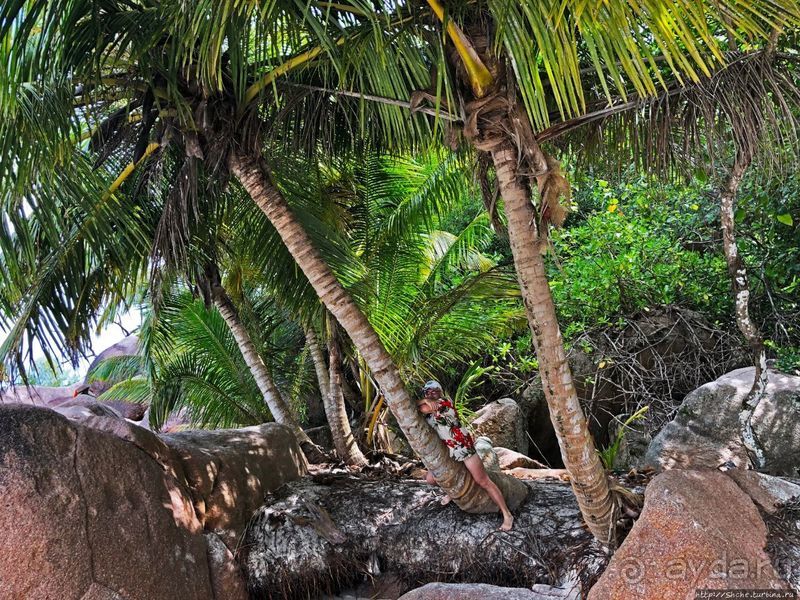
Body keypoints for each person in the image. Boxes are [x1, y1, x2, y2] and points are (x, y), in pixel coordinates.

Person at [417, 380, 514, 531]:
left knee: (483, 481)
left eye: (435, 390)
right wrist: (424, 400)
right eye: (428, 392)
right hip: (447, 451)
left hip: (462, 447)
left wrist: (424, 401)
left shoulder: (444, 403)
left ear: (441, 392)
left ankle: (507, 514)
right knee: (430, 479)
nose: (432, 393)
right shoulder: (429, 408)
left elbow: (421, 408)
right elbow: (417, 406)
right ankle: (452, 492)